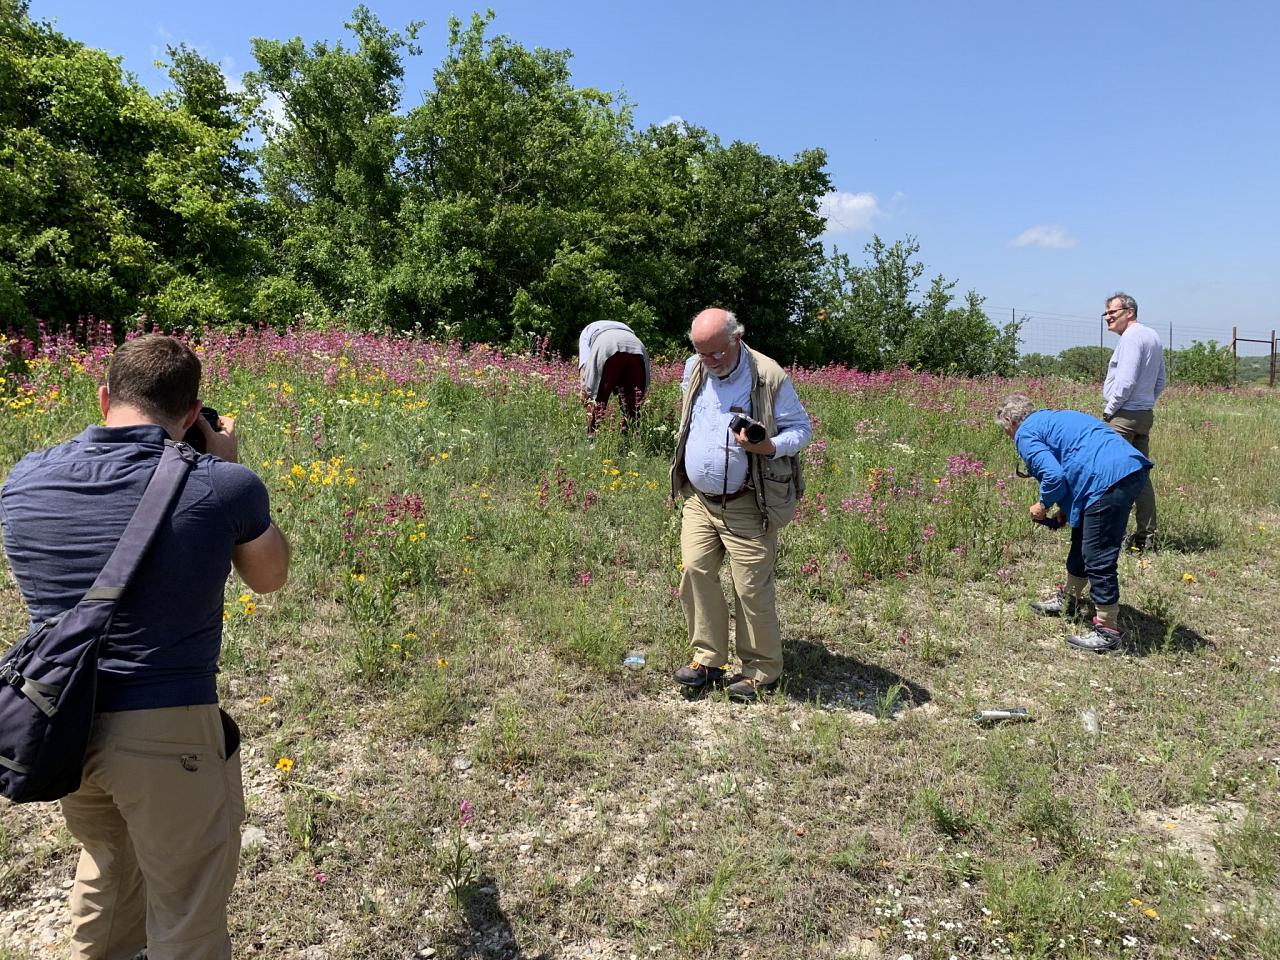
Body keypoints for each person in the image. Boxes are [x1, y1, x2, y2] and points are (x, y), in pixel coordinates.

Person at [0, 335, 290, 960]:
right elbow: (270, 576)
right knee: (186, 910)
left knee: (107, 866)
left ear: (103, 397)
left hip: (61, 719)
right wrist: (229, 461)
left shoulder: (21, 481)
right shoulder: (221, 484)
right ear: (191, 415)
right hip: (167, 728)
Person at [669, 308, 812, 702]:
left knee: (750, 590)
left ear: (736, 338)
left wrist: (767, 446)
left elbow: (802, 430)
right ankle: (707, 658)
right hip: (701, 501)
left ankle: (761, 671)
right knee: (696, 570)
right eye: (701, 352)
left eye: (716, 352)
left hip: (750, 502)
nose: (710, 361)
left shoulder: (768, 375)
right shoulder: (694, 369)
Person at [996, 394, 1151, 653]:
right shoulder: (1053, 418)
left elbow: (1054, 476)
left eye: (1007, 432)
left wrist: (1043, 504)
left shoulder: (1025, 433)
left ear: (1012, 421)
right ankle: (1069, 600)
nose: (1010, 437)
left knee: (1098, 554)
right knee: (1082, 537)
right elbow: (1076, 461)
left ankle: (1107, 630)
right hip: (1128, 471)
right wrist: (1067, 510)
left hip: (1106, 480)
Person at [1101, 292, 1165, 551]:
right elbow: (1161, 381)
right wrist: (1146, 403)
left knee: (1110, 475)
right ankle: (1146, 536)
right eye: (1105, 313)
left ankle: (1106, 535)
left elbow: (1125, 381)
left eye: (1112, 312)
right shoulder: (1153, 336)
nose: (1108, 317)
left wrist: (1110, 411)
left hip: (1124, 416)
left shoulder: (1130, 338)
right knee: (1140, 476)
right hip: (1143, 415)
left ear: (1129, 312)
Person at [577, 320, 650, 435]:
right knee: (633, 404)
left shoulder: (585, 333)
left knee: (597, 400)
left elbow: (583, 366)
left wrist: (584, 390)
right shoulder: (624, 327)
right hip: (637, 347)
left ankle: (591, 439)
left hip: (606, 345)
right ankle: (630, 440)